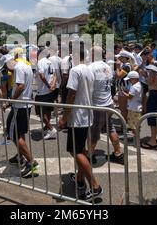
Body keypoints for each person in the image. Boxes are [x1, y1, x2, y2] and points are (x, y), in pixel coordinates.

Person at [60, 43, 103, 202]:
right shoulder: (89, 70)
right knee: (80, 149)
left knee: (76, 151)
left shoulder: (75, 70)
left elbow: (71, 95)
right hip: (86, 115)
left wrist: (64, 117)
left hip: (78, 117)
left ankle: (95, 185)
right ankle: (79, 179)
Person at [88, 45, 124, 165]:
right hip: (108, 104)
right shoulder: (107, 67)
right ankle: (118, 152)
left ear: (93, 55)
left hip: (98, 105)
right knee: (110, 128)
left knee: (94, 132)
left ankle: (90, 155)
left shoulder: (91, 67)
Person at [5, 50, 38, 178]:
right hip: (26, 104)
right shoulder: (27, 65)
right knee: (20, 132)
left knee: (12, 134)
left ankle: (31, 161)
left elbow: (20, 86)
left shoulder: (18, 66)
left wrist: (10, 101)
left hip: (19, 105)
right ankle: (20, 156)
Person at [140, 48, 157, 150]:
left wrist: (144, 75)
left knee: (152, 118)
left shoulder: (152, 70)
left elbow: (150, 82)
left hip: (154, 93)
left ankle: (152, 140)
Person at [35, 48, 58, 140]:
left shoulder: (40, 62)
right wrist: (52, 85)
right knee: (47, 111)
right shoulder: (50, 62)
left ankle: (51, 128)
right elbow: (55, 75)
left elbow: (42, 76)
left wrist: (49, 86)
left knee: (40, 112)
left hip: (43, 91)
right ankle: (47, 128)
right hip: (50, 90)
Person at [124, 71, 143, 145]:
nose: (129, 81)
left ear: (134, 79)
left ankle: (136, 141)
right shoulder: (139, 85)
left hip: (133, 108)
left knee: (133, 126)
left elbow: (129, 96)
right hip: (137, 107)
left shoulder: (134, 87)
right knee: (136, 125)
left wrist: (123, 92)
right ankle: (136, 139)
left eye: (130, 79)